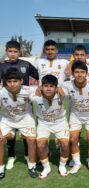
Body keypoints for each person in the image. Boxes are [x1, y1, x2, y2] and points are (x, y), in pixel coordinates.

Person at [0, 40, 39, 170]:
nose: (12, 54)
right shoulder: (2, 66)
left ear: (19, 52)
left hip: (25, 101)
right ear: (6, 52)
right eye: (10, 51)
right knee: (10, 132)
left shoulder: (26, 65)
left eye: (15, 51)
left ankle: (28, 155)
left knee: (26, 131)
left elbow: (38, 75)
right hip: (9, 102)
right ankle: (11, 156)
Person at [62, 61, 89, 174]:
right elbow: (60, 96)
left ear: (86, 73)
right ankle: (77, 163)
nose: (79, 74)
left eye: (82, 72)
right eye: (76, 72)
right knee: (73, 139)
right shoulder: (67, 85)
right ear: (72, 73)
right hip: (75, 116)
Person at [33, 75, 70, 179]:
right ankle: (46, 167)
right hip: (44, 123)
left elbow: (69, 90)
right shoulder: (35, 97)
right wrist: (36, 89)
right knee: (40, 145)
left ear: (56, 88)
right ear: (41, 87)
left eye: (51, 86)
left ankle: (62, 166)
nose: (48, 89)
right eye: (45, 86)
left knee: (65, 144)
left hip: (60, 123)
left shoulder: (62, 94)